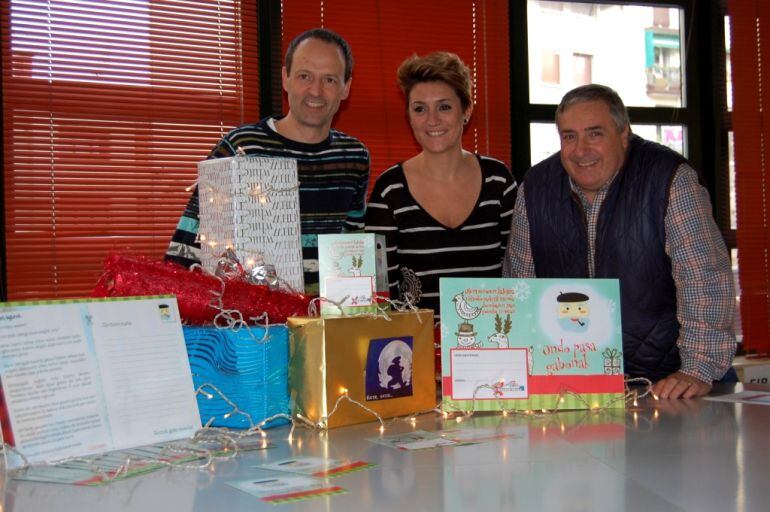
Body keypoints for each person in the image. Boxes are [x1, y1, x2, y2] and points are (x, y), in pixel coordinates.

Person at [504, 84, 736, 399]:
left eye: (595, 134)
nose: (580, 150)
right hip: (575, 388)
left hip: (669, 385)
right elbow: (520, 288)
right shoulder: (534, 188)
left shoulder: (670, 179)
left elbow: (704, 280)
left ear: (624, 134)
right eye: (569, 136)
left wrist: (696, 370)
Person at [165, 28, 370, 294]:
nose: (316, 91)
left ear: (346, 88)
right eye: (304, 76)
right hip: (254, 323)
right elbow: (190, 243)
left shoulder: (353, 157)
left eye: (330, 80)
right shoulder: (242, 147)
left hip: (325, 322)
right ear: (285, 78)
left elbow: (354, 246)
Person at [365, 52, 516, 320]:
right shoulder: (390, 190)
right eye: (419, 108)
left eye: (444, 107)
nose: (431, 120)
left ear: (466, 110)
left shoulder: (498, 180)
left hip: (490, 347)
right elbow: (380, 291)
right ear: (409, 115)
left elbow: (516, 272)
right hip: (417, 348)